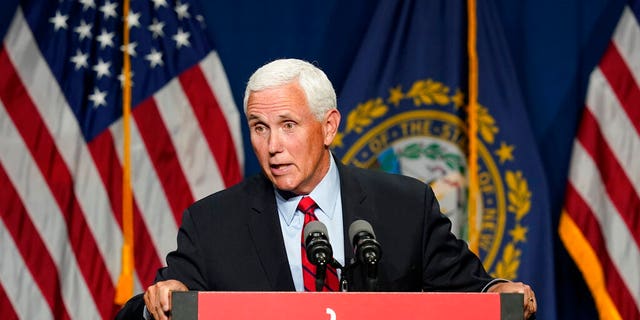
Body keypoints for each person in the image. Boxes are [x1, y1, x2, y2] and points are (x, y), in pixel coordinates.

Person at [116, 58, 537, 319]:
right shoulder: (212, 223)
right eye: (259, 128)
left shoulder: (405, 205)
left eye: (288, 125)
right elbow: (151, 306)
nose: (273, 146)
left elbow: (471, 288)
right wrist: (159, 304)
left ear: (329, 126)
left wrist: (499, 291)